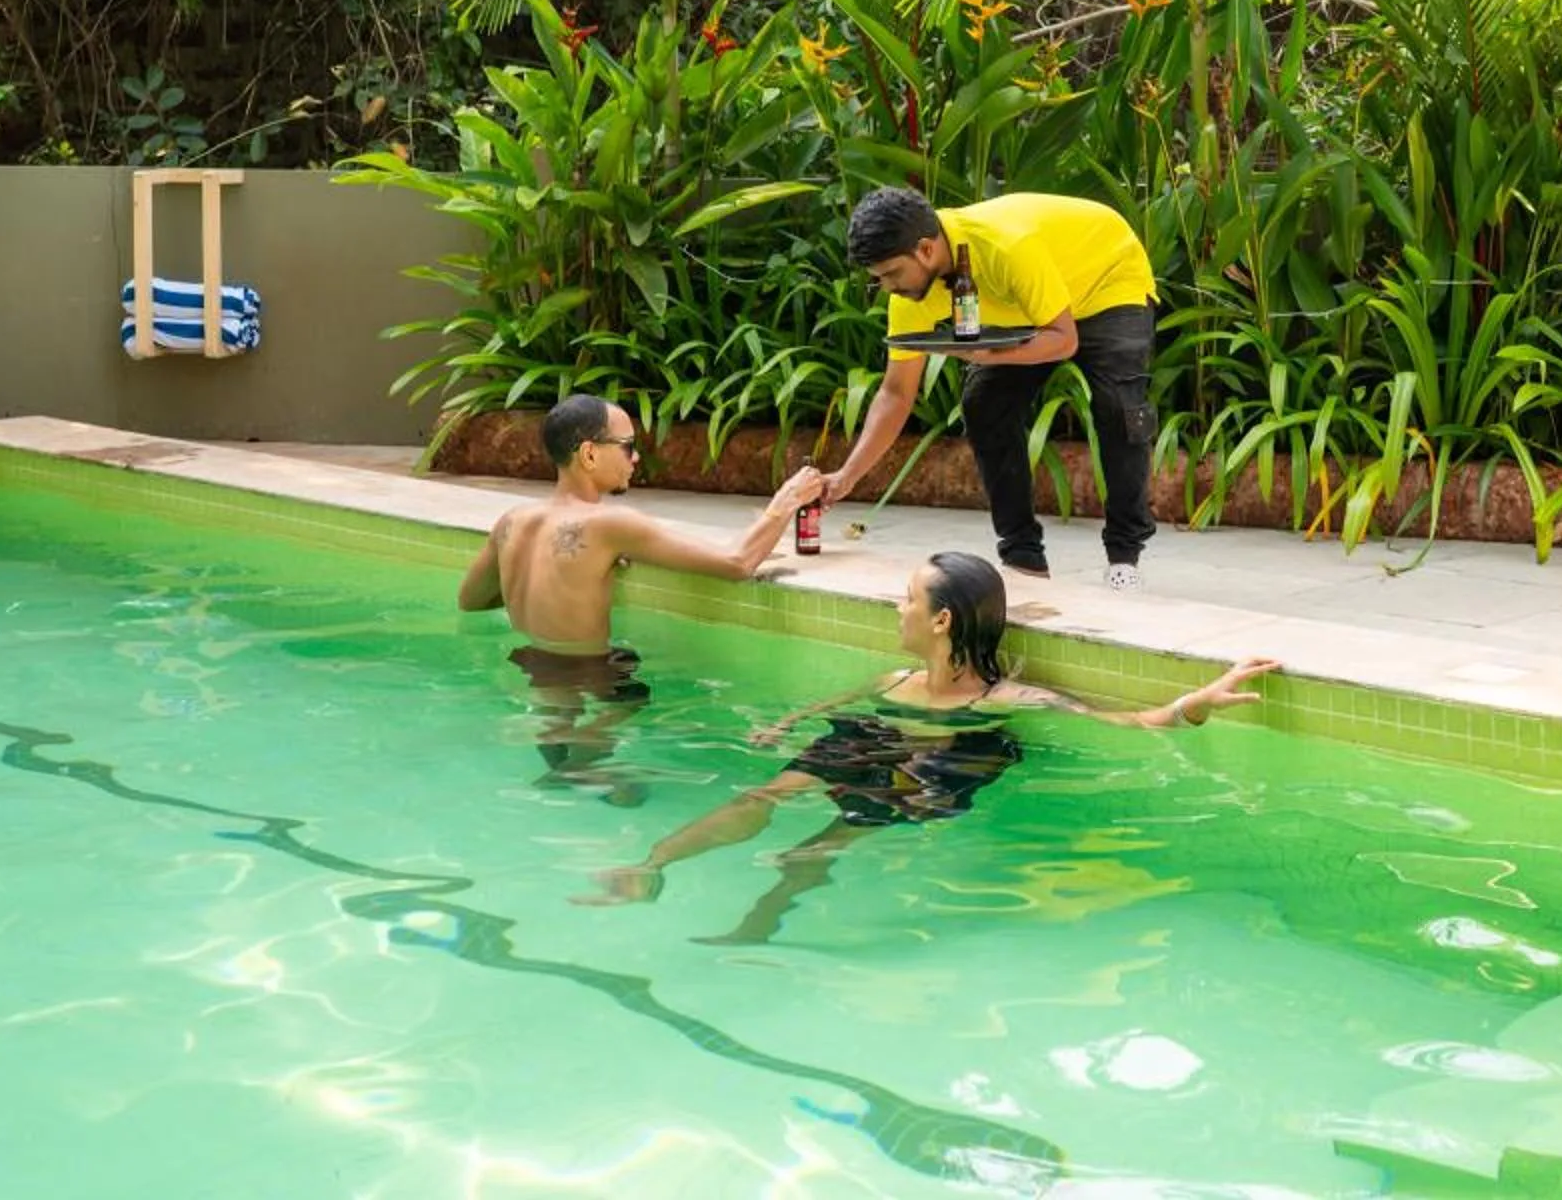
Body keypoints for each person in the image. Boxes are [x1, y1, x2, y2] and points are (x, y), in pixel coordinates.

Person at [577, 551, 1275, 942]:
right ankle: (653, 864)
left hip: (952, 755)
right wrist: (789, 723)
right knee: (767, 794)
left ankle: (761, 923)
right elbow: (840, 705)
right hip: (883, 736)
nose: (896, 608)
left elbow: (1126, 722)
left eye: (906, 599)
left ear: (941, 620)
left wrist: (1194, 705)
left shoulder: (1003, 700)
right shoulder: (896, 679)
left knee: (823, 840)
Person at [461, 393, 824, 799]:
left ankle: (570, 768)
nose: (635, 459)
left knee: (576, 709)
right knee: (632, 694)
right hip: (586, 668)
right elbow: (737, 563)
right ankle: (571, 771)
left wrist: (559, 586)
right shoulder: (610, 524)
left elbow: (471, 601)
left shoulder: (511, 522)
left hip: (533, 660)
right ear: (589, 454)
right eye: (628, 446)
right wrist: (785, 502)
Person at [824, 187, 1160, 588]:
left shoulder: (1005, 245)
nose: (887, 288)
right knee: (985, 403)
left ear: (926, 250)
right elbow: (896, 394)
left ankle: (1124, 558)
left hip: (1105, 277)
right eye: (877, 279)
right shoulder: (909, 295)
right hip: (1029, 304)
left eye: (892, 274)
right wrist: (847, 476)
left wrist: (989, 357)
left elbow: (1063, 340)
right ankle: (1023, 558)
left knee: (1120, 409)